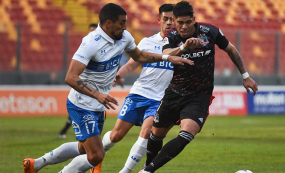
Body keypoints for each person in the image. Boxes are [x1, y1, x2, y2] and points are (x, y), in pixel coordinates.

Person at [22, 3, 193, 173]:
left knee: (84, 149)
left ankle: (37, 164)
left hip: (99, 105)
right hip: (81, 104)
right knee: (96, 155)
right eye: (121, 23)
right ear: (109, 23)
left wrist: (166, 57)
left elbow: (139, 56)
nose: (125, 27)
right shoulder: (91, 42)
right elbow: (70, 77)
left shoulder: (124, 37)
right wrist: (97, 94)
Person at [140, 1, 258, 173]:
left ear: (194, 19)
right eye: (180, 22)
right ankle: (148, 166)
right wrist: (184, 47)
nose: (184, 26)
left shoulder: (210, 31)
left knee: (186, 134)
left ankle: (147, 171)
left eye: (188, 22)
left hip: (199, 95)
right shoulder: (172, 36)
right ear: (174, 21)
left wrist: (245, 76)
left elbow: (231, 50)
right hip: (174, 93)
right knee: (156, 134)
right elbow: (166, 54)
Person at [93, 4, 174, 173]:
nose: (169, 22)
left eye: (172, 19)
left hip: (160, 99)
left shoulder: (182, 46)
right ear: (159, 19)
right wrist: (119, 74)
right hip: (139, 94)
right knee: (116, 135)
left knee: (146, 133)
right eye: (165, 19)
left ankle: (125, 171)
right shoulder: (147, 42)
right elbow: (131, 65)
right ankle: (98, 156)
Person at [57, 23, 99, 139]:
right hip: (83, 84)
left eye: (94, 30)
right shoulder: (86, 46)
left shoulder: (100, 48)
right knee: (79, 107)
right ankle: (65, 131)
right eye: (90, 30)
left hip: (96, 87)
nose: (92, 32)